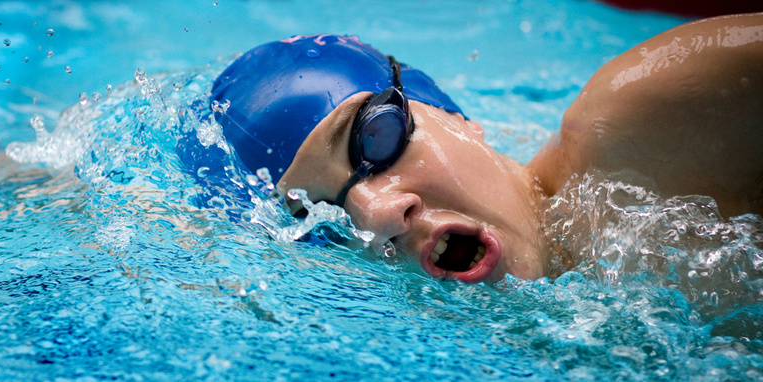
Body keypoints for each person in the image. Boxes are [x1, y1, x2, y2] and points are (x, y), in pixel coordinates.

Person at [206, 13, 763, 284]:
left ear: (451, 115)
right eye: (322, 221)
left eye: (372, 138)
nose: (377, 215)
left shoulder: (643, 119)